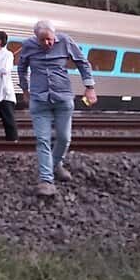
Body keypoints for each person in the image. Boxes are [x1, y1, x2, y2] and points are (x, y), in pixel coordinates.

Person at [18, 20, 97, 197]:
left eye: (50, 39)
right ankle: (46, 180)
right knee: (42, 139)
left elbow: (82, 63)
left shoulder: (65, 41)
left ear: (55, 35)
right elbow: (21, 68)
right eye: (43, 40)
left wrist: (89, 87)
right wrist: (25, 90)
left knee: (64, 137)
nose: (47, 43)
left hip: (63, 98)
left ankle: (55, 164)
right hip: (39, 99)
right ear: (36, 38)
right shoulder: (28, 45)